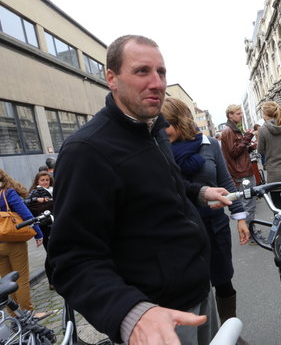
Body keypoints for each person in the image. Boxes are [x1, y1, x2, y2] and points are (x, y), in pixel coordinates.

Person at [48, 35, 234, 345]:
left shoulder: (155, 130)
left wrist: (199, 193)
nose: (157, 82)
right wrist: (131, 313)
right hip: (156, 319)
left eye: (161, 72)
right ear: (112, 78)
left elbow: (163, 187)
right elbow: (70, 260)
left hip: (200, 292)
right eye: (142, 71)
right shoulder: (87, 151)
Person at [162, 97, 250, 345]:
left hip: (214, 225)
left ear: (180, 121)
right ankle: (205, 336)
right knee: (192, 288)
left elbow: (226, 181)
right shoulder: (158, 149)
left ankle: (229, 332)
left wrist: (240, 217)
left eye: (166, 124)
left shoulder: (209, 144)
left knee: (223, 280)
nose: (161, 130)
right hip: (180, 231)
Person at [0, 169, 47, 318]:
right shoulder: (7, 193)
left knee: (6, 282)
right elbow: (26, 214)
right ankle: (28, 313)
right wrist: (38, 234)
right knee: (21, 279)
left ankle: (15, 316)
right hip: (13, 241)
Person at [221, 105, 265, 243]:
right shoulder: (229, 131)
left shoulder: (233, 130)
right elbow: (233, 152)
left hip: (243, 170)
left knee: (249, 202)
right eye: (238, 113)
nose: (241, 115)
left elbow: (238, 151)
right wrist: (247, 138)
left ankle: (250, 230)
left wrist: (250, 146)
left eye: (241, 113)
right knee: (248, 203)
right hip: (241, 172)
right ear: (230, 115)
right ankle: (251, 235)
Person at [257, 101, 281, 208]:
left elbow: (260, 150)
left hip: (273, 173)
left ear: (265, 114)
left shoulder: (262, 130)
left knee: (277, 207)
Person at [25, 171, 55, 289]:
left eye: (47, 180)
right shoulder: (35, 193)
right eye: (42, 180)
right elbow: (29, 206)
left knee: (56, 251)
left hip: (55, 224)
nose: (45, 182)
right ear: (37, 181)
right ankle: (51, 281)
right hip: (45, 227)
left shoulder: (53, 190)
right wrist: (39, 200)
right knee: (50, 253)